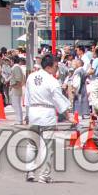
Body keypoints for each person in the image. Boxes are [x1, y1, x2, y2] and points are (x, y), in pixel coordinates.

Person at [23, 54, 72, 183]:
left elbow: (27, 97)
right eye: (56, 66)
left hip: (33, 112)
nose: (57, 69)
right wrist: (68, 115)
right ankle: (44, 175)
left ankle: (30, 171)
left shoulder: (31, 77)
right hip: (47, 114)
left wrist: (27, 114)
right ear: (49, 66)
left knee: (31, 144)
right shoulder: (52, 81)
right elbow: (58, 100)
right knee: (47, 146)